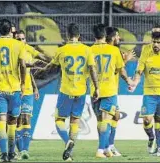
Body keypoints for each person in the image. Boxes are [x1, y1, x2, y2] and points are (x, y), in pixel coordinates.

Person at [36, 23, 99, 161]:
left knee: (59, 119)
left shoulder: (62, 50)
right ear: (79, 36)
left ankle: (67, 142)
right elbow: (93, 70)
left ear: (67, 36)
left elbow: (51, 67)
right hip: (81, 91)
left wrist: (40, 72)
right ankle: (69, 153)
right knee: (75, 121)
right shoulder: (87, 50)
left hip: (66, 90)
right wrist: (96, 88)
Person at [0, 19, 26, 162]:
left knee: (1, 122)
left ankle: (3, 155)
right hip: (14, 89)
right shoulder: (18, 45)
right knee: (12, 123)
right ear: (10, 31)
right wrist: (24, 84)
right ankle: (12, 153)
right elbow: (23, 66)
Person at [90, 24, 133, 158]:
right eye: (117, 35)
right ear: (108, 36)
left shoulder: (89, 50)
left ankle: (108, 147)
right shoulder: (114, 51)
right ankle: (101, 149)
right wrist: (129, 80)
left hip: (94, 90)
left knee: (109, 118)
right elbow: (119, 70)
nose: (119, 37)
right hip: (109, 89)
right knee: (107, 119)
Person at [15, 30, 40, 160]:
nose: (21, 41)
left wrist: (35, 88)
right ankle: (19, 150)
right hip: (15, 91)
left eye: (23, 39)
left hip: (28, 91)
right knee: (17, 122)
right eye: (18, 39)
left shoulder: (29, 51)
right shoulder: (13, 53)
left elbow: (29, 73)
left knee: (26, 120)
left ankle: (25, 150)